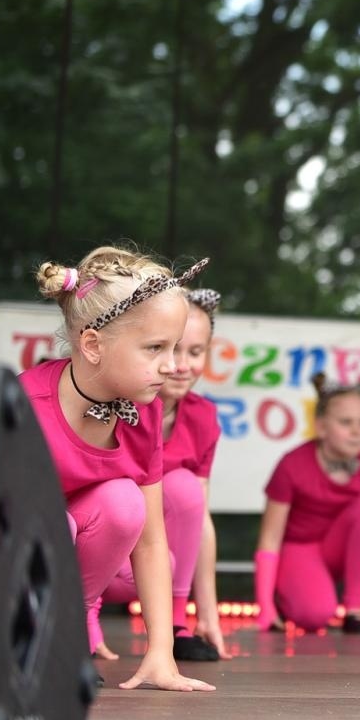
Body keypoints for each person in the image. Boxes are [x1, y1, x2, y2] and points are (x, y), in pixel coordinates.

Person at [22, 247, 216, 692]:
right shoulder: (27, 409)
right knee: (58, 522)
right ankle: (36, 641)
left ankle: (71, 627)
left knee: (126, 504)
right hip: (11, 567)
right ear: (93, 345)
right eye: (155, 348)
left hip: (79, 559)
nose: (172, 366)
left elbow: (149, 542)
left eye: (175, 348)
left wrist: (160, 654)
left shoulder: (144, 415)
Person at [254, 372, 360, 633]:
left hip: (341, 551)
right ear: (321, 427)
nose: (356, 431)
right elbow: (270, 539)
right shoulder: (292, 464)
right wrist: (264, 607)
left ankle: (355, 612)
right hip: (301, 548)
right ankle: (288, 596)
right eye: (346, 422)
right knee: (313, 616)